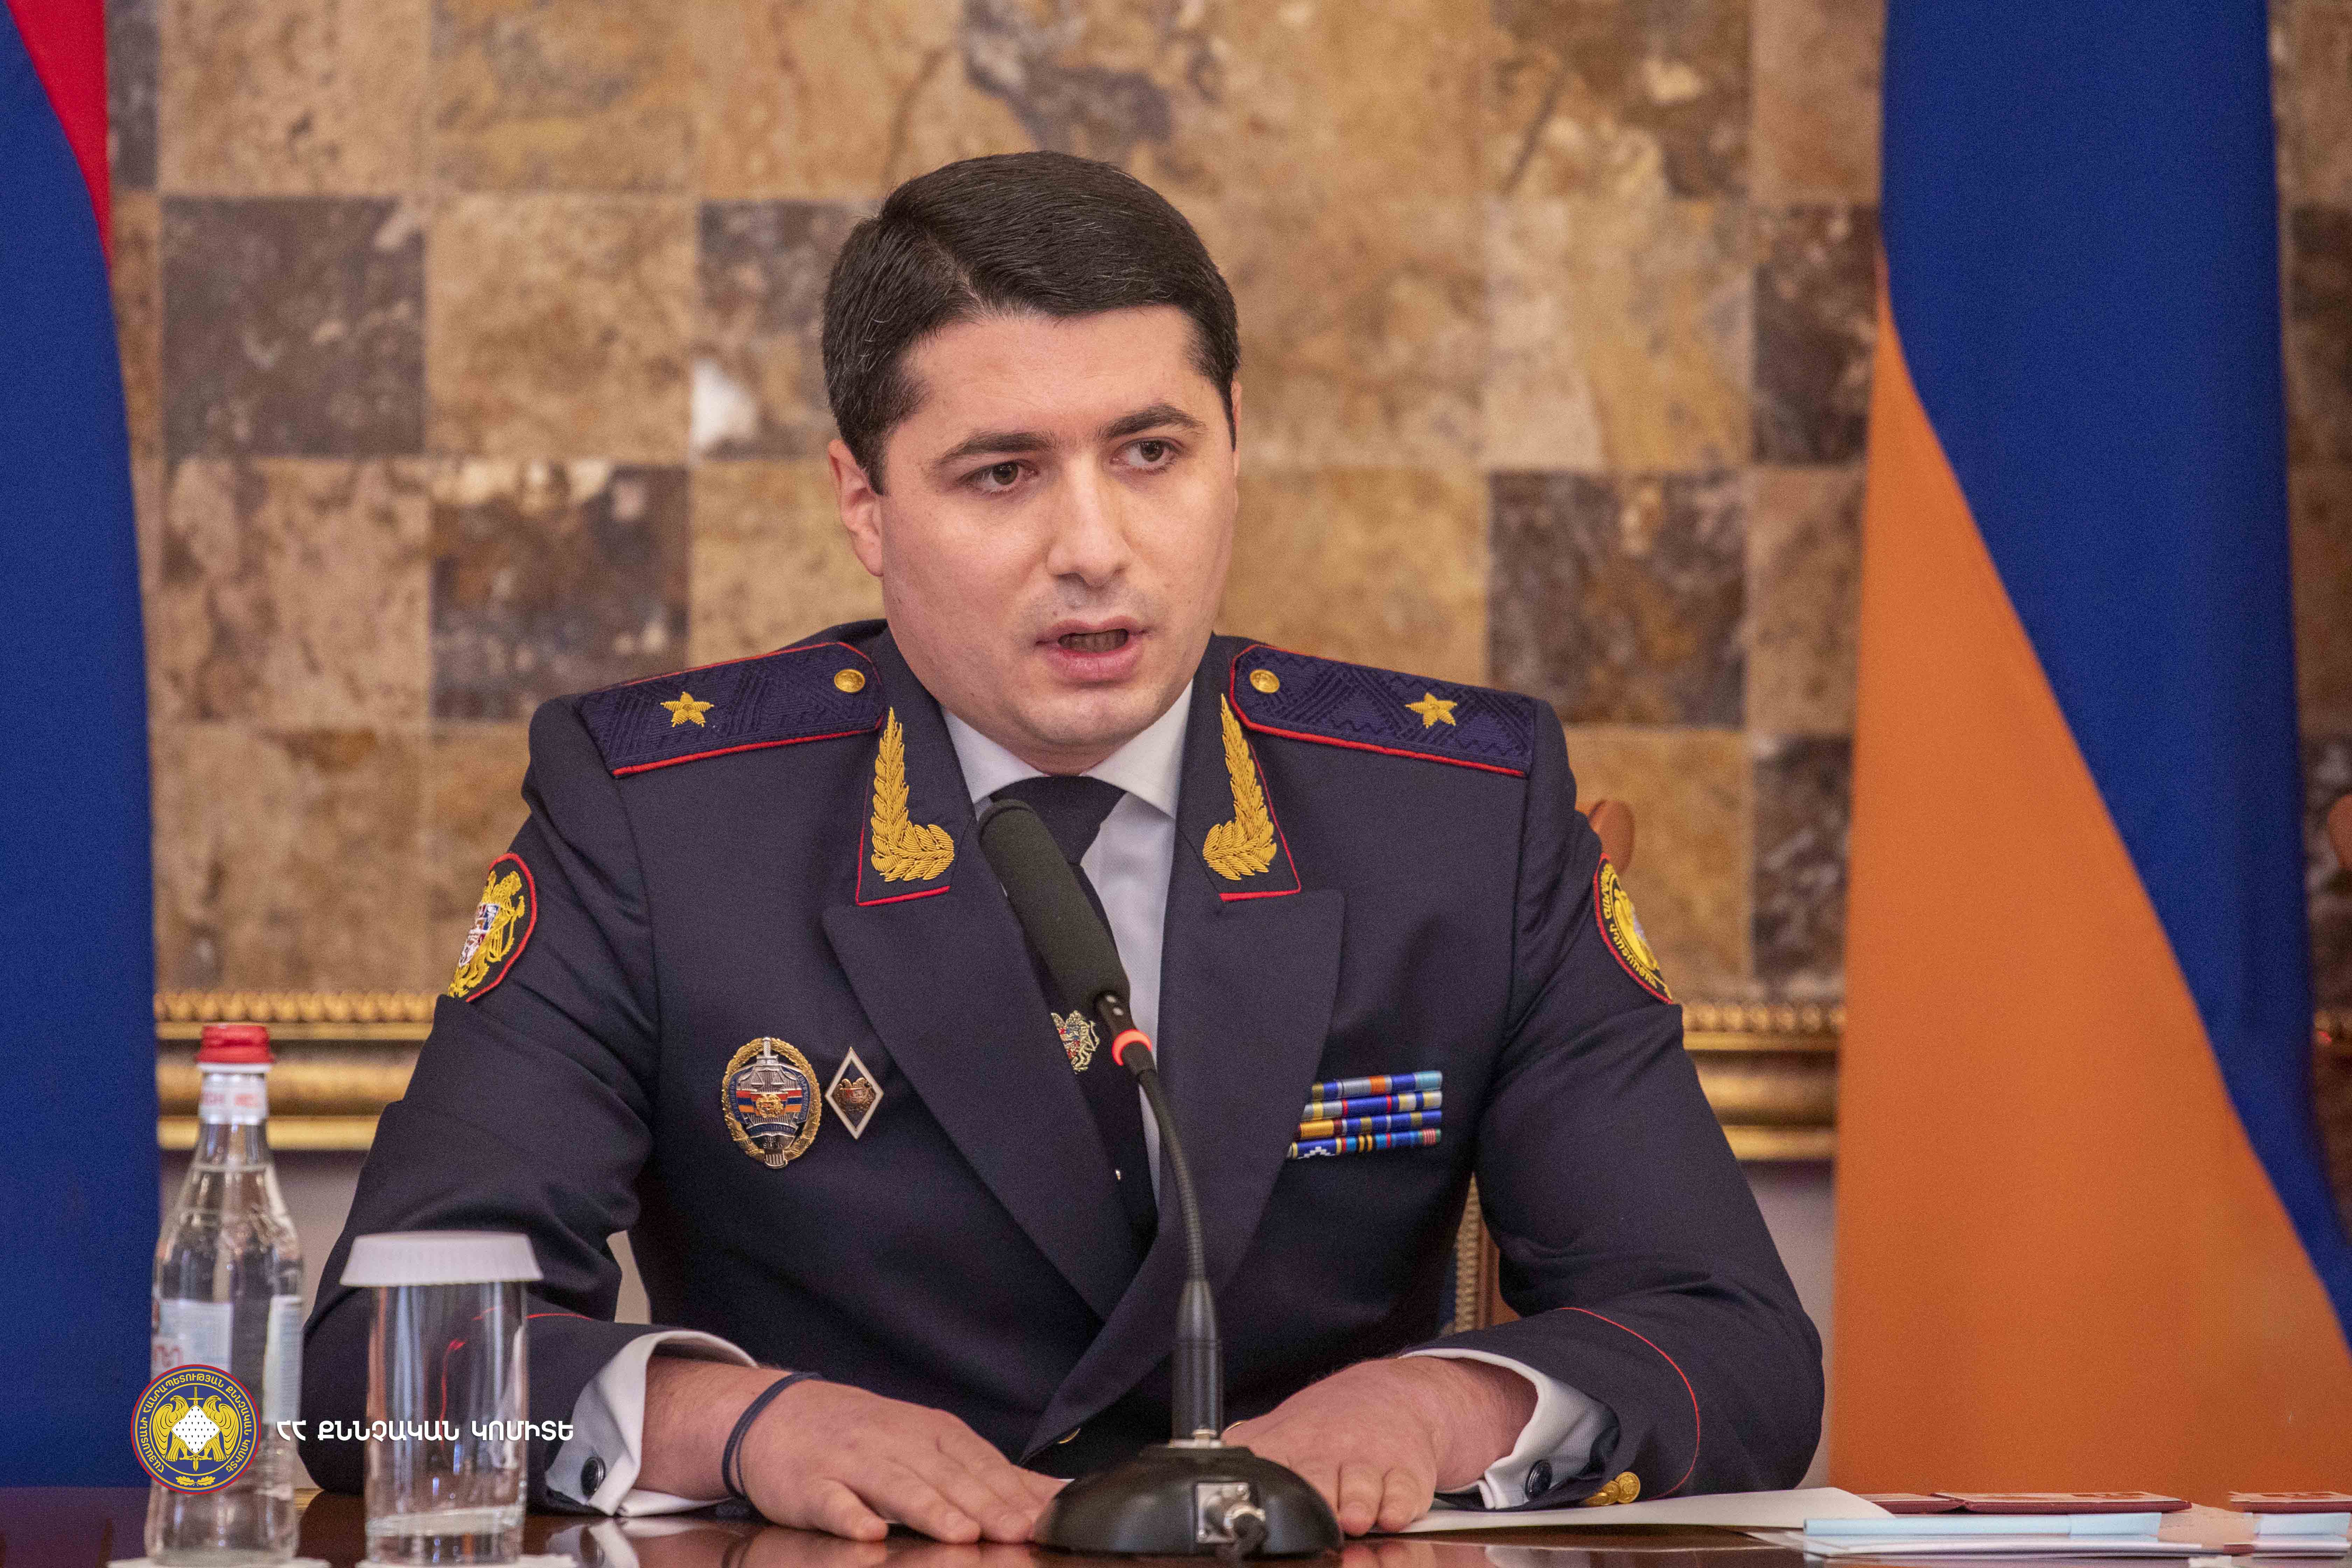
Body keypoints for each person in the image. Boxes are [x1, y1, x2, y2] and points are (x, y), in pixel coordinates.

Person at [301, 151, 1821, 1541]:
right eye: (1003, 474)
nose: (1094, 548)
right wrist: (745, 1425)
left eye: (1152, 452)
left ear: (1236, 448)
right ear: (864, 504)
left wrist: (1435, 1409)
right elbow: (372, 1376)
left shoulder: (1457, 814)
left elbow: (1733, 1341)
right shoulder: (664, 821)